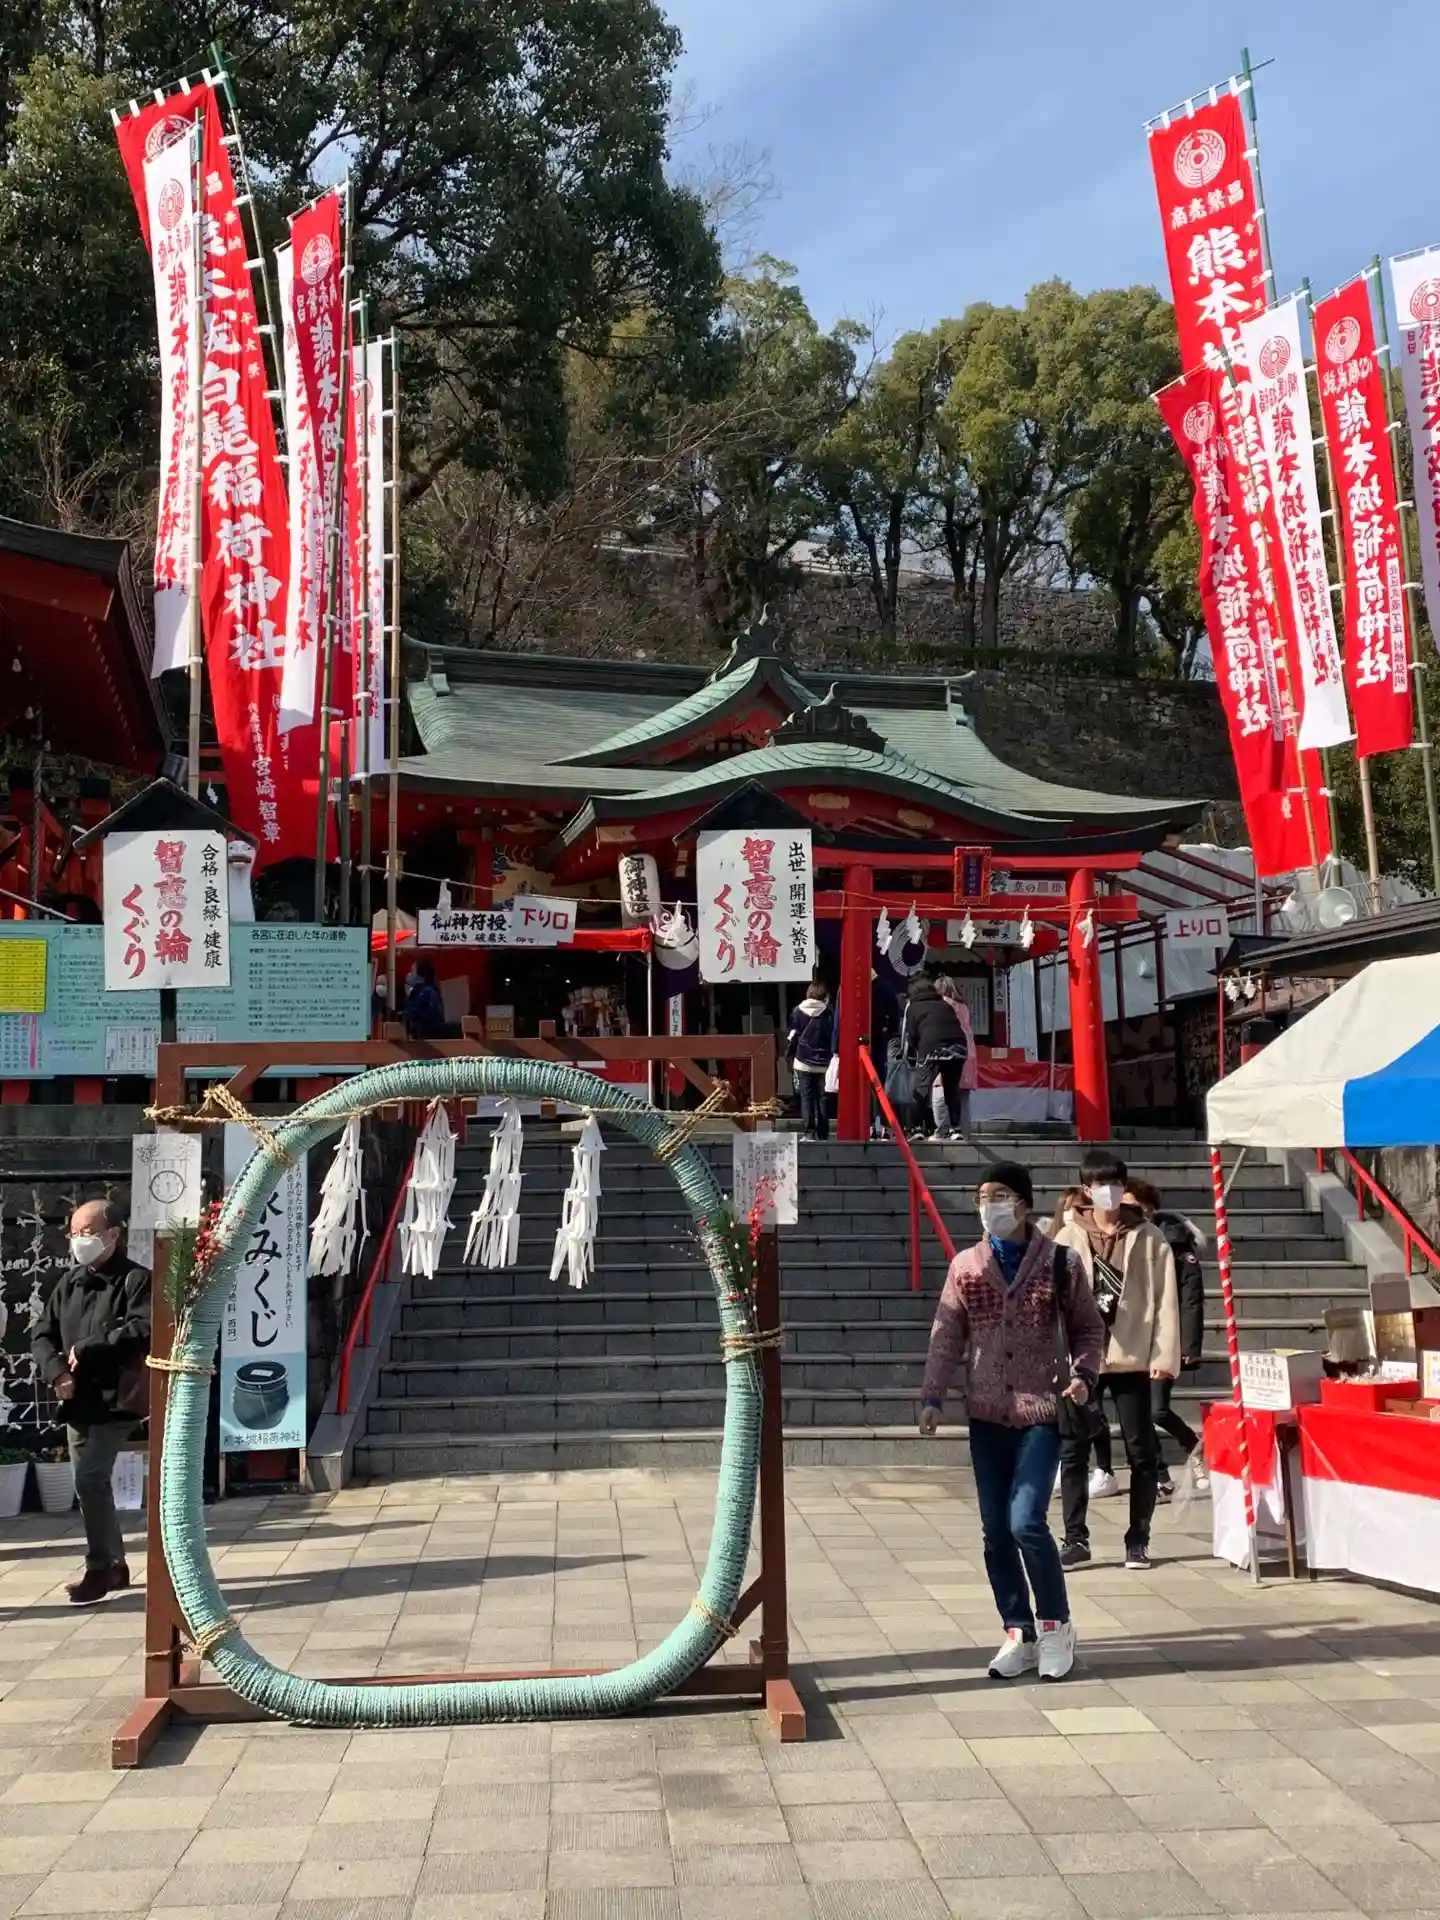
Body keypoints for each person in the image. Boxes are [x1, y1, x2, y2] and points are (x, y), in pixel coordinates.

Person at [919, 1159, 1104, 1681]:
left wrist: (1084, 1374)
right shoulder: (967, 1267)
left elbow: (1089, 1329)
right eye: (982, 1197)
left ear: (1023, 1203)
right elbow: (946, 1334)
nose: (989, 1205)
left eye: (999, 1195)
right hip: (986, 1415)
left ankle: (1055, 1625)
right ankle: (1018, 1631)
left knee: (1026, 1521)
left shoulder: (1061, 1263)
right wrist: (933, 1395)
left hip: (1041, 1411)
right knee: (995, 1531)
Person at [1053, 1151, 1179, 1572]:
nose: (1108, 1191)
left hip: (1133, 1355)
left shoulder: (1149, 1236)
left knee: (1141, 1450)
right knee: (1074, 1448)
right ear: (1086, 1190)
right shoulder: (1067, 1237)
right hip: (1081, 1358)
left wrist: (1164, 1354)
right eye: (1099, 1184)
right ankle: (1075, 1538)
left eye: (1115, 1183)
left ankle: (1138, 1539)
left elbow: (1166, 1299)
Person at [32, 1200, 151, 1604]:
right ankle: (114, 1563)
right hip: (77, 1399)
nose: (78, 1240)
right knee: (89, 1485)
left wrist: (89, 1347)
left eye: (87, 1232)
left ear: (113, 1234)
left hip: (117, 1399)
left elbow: (143, 1328)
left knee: (89, 1478)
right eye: (74, 1233)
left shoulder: (136, 1279)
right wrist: (57, 1373)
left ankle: (101, 1567)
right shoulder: (70, 1282)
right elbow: (42, 1334)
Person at [1126, 1175, 1208, 1499]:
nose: (1130, 1212)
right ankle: (1159, 1476)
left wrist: (1189, 1345)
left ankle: (1194, 1446)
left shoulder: (1175, 1243)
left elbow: (1191, 1299)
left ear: (1150, 1208)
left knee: (1156, 1410)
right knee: (1138, 1414)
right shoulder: (1118, 1238)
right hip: (1131, 1337)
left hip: (1164, 1337)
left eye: (1136, 1206)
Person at [901, 973, 969, 1142]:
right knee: (951, 1089)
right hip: (958, 1047)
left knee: (921, 1089)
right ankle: (955, 1129)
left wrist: (913, 1057)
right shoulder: (945, 1004)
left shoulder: (913, 1007)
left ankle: (915, 1129)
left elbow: (911, 1035)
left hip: (931, 1048)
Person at [786, 981, 835, 1141]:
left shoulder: (798, 1011)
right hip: (824, 1063)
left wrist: (789, 1055)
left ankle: (809, 1133)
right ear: (825, 996)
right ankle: (823, 1133)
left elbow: (793, 1036)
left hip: (802, 1062)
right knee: (822, 1098)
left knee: (806, 1098)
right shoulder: (828, 1013)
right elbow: (832, 1036)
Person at [932, 977, 978, 1136]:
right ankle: (964, 1131)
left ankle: (943, 1130)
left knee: (940, 1093)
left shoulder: (941, 1005)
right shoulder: (963, 1007)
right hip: (968, 1052)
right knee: (963, 1097)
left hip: (949, 1051)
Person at [403, 960, 447, 1039]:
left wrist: (407, 1015)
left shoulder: (427, 992)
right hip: (419, 1036)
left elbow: (428, 1014)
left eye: (412, 971)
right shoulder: (417, 991)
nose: (409, 974)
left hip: (428, 1037)